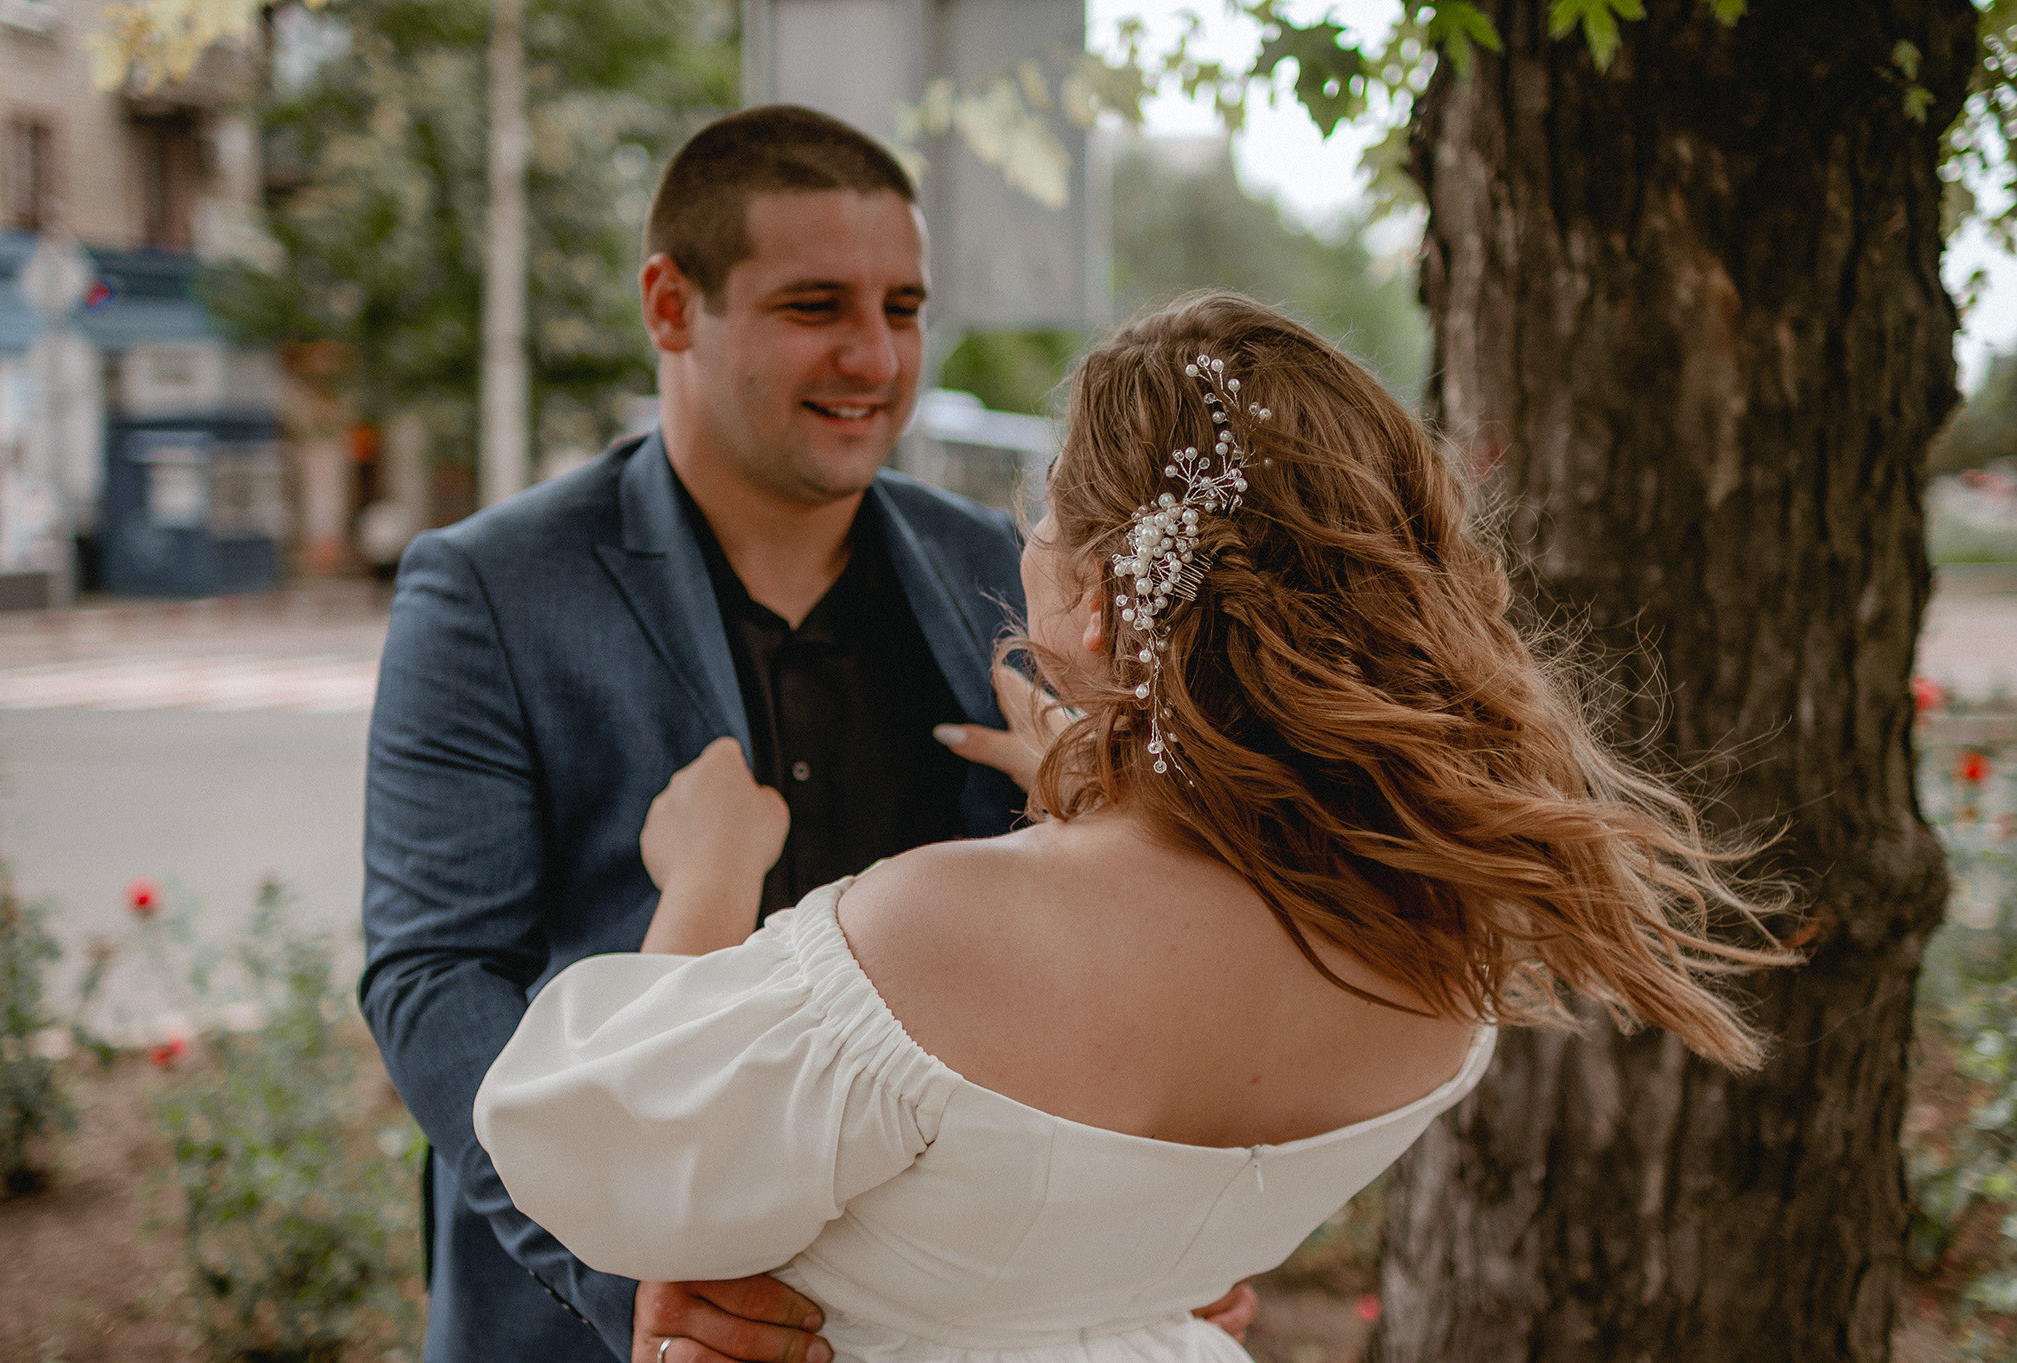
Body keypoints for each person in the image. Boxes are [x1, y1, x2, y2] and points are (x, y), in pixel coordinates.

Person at [473, 292, 1790, 1363]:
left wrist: (709, 874)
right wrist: (1108, 797)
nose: (1022, 544)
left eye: (1044, 516)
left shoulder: (940, 925)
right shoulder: (1444, 947)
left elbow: (591, 1139)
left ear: (1100, 596)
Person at [362, 105, 1064, 1363]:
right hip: (599, 1324)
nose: (875, 357)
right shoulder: (488, 587)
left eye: (900, 309)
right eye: (814, 307)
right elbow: (434, 978)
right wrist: (620, 1266)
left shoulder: (991, 573)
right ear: (670, 307)